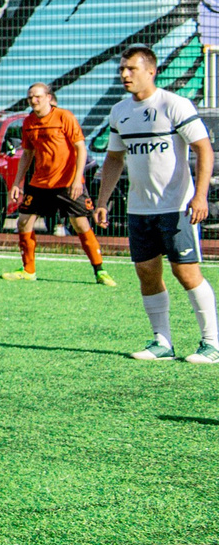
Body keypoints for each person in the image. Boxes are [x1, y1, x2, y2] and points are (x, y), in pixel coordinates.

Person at [92, 44, 217, 361]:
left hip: (176, 207)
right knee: (147, 272)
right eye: (122, 69)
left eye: (131, 69)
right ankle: (162, 343)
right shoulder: (120, 111)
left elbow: (204, 150)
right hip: (139, 209)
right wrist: (103, 200)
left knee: (185, 273)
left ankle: (212, 343)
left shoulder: (173, 105)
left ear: (151, 71)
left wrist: (199, 196)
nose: (124, 74)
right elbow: (114, 158)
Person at [3, 81, 113, 286]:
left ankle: (100, 270)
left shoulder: (65, 117)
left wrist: (77, 179)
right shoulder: (28, 123)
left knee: (80, 224)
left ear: (48, 97)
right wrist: (18, 182)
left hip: (67, 182)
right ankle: (28, 270)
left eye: (37, 96)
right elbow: (27, 153)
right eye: (30, 97)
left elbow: (81, 148)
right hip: (40, 183)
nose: (33, 100)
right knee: (23, 221)